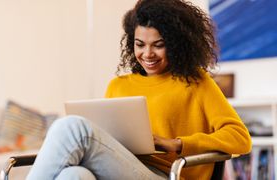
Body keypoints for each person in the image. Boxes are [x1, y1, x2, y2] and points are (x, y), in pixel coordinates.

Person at [27, 0, 252, 179]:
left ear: (176, 44)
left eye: (158, 45)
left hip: (168, 174)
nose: (147, 54)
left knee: (72, 127)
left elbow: (240, 138)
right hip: (120, 168)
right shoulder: (118, 85)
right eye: (140, 44)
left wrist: (178, 143)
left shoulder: (195, 82)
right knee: (73, 175)